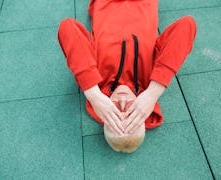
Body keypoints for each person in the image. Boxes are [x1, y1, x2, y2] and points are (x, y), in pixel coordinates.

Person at [58, 0, 197, 153]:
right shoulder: (150, 78)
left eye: (115, 112)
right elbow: (187, 25)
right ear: (144, 112)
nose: (122, 101)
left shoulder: (95, 79)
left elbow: (68, 27)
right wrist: (152, 93)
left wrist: (94, 95)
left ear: (104, 113)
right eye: (132, 112)